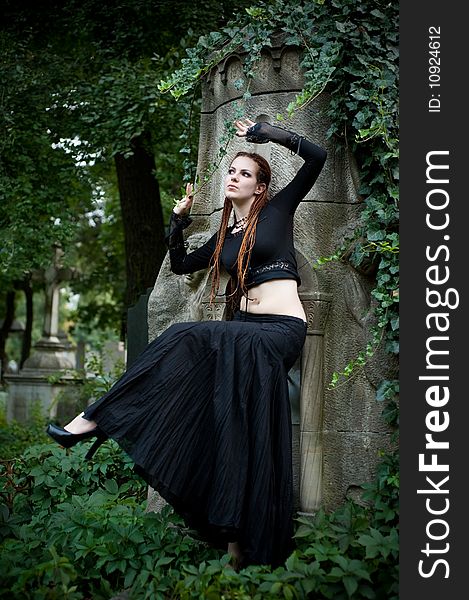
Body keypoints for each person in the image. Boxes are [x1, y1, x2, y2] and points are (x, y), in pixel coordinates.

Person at [46, 118, 327, 568]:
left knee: (186, 335)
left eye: (244, 173)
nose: (233, 177)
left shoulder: (277, 213)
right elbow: (179, 265)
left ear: (260, 187)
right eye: (230, 171)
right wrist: (177, 219)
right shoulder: (225, 238)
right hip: (247, 333)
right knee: (231, 431)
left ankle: (96, 418)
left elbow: (317, 158)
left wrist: (268, 133)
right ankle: (237, 548)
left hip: (280, 332)